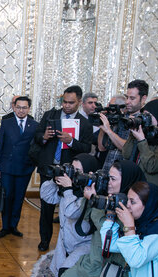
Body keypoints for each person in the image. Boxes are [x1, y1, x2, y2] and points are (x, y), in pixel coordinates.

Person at [58, 160, 146, 277]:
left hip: (117, 265)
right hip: (98, 255)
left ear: (126, 180)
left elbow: (110, 237)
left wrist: (96, 202)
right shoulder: (108, 197)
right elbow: (85, 218)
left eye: (113, 179)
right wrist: (94, 199)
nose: (108, 183)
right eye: (107, 178)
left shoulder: (132, 205)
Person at [30, 85, 94, 251]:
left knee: (68, 209)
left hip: (71, 173)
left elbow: (87, 148)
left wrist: (71, 141)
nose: (66, 105)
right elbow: (36, 136)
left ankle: (67, 244)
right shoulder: (49, 115)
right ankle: (44, 240)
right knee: (46, 209)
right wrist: (44, 137)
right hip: (49, 169)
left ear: (79, 102)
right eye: (64, 102)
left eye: (71, 103)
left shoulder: (85, 123)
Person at [40, 154, 97, 277]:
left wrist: (68, 189)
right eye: (72, 169)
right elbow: (46, 196)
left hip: (82, 245)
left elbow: (72, 212)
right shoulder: (70, 189)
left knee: (66, 276)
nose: (74, 174)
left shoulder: (91, 195)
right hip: (64, 244)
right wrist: (55, 180)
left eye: (78, 171)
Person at [0, 96, 38, 238]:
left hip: (25, 168)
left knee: (19, 198)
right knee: (7, 197)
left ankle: (14, 226)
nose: (21, 110)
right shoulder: (7, 123)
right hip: (7, 167)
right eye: (18, 107)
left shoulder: (34, 125)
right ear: (14, 107)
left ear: (29, 109)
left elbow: (37, 147)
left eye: (24, 108)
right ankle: (5, 226)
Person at [121, 81, 158, 188]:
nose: (147, 120)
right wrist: (132, 134)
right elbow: (126, 154)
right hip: (139, 189)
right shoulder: (147, 135)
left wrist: (142, 141)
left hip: (157, 192)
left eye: (149, 117)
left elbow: (151, 166)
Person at [97, 94, 128, 171]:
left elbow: (125, 148)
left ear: (123, 108)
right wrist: (102, 126)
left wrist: (109, 131)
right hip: (108, 166)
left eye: (112, 108)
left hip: (122, 170)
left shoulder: (129, 122)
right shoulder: (111, 123)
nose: (110, 111)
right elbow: (101, 147)